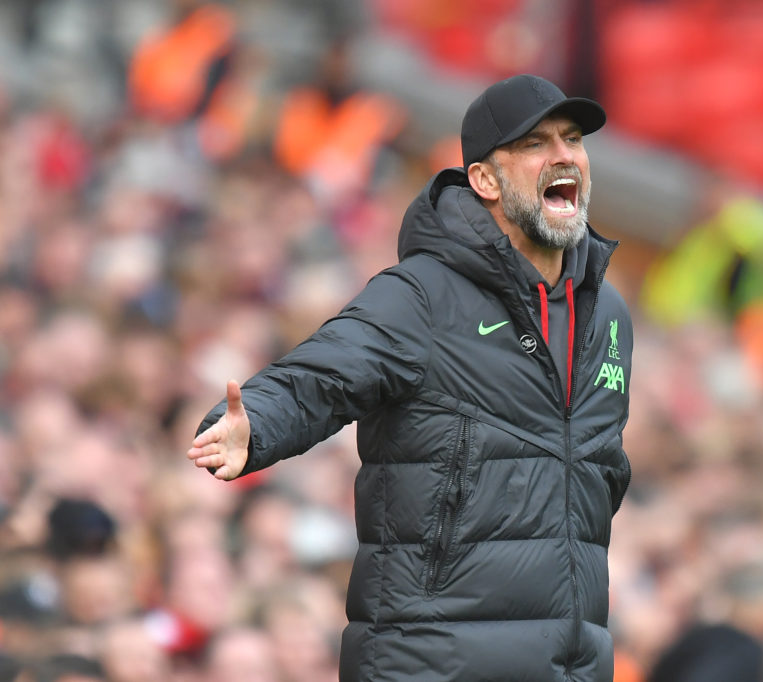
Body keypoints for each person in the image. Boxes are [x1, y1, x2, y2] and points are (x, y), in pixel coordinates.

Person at [187, 74, 633, 681]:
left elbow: (596, 477)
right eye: (534, 144)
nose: (563, 155)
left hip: (568, 663)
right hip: (429, 660)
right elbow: (321, 375)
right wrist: (254, 422)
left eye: (573, 139)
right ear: (484, 180)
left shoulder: (608, 316)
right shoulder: (422, 294)